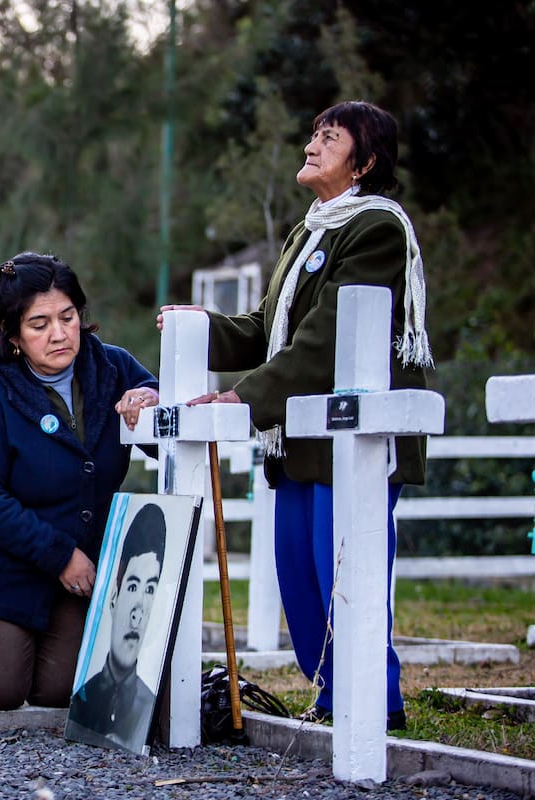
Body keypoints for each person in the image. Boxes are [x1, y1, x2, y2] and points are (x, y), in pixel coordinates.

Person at [160, 100, 432, 731]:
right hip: (300, 443)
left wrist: (243, 398)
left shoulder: (377, 230)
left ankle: (372, 703)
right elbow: (268, 330)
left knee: (346, 576)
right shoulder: (308, 231)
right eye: (313, 133)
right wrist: (200, 328)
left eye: (329, 138)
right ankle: (335, 698)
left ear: (363, 162)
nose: (311, 145)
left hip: (353, 440)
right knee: (300, 579)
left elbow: (325, 338)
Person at [0, 251, 160, 711]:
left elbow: (169, 431)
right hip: (2, 569)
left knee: (57, 693)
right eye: (40, 324)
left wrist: (153, 401)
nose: (60, 333)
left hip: (75, 576)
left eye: (68, 317)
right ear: (13, 334)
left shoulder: (114, 369)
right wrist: (60, 556)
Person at [64, 502, 166, 752]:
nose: (138, 612)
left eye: (150, 589)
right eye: (132, 587)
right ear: (113, 599)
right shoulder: (82, 695)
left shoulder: (149, 704)